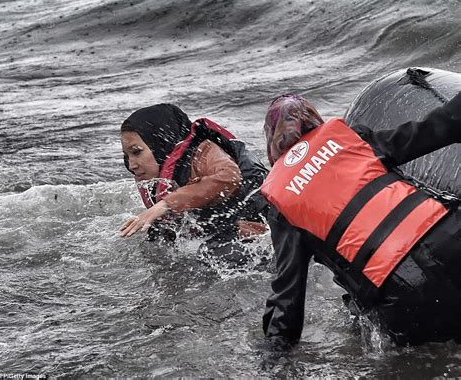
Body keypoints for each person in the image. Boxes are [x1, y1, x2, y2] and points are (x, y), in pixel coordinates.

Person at [260, 92, 461, 346]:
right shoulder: (352, 139)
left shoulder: (281, 208)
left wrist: (274, 356)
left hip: (405, 293)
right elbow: (437, 128)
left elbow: (287, 300)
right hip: (452, 244)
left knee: (359, 323)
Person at [119, 103, 269, 264]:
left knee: (213, 254)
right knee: (156, 237)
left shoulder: (203, 152)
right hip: (221, 229)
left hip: (262, 229)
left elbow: (230, 176)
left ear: (160, 143)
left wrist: (165, 204)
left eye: (136, 152)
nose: (131, 164)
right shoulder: (158, 175)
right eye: (127, 155)